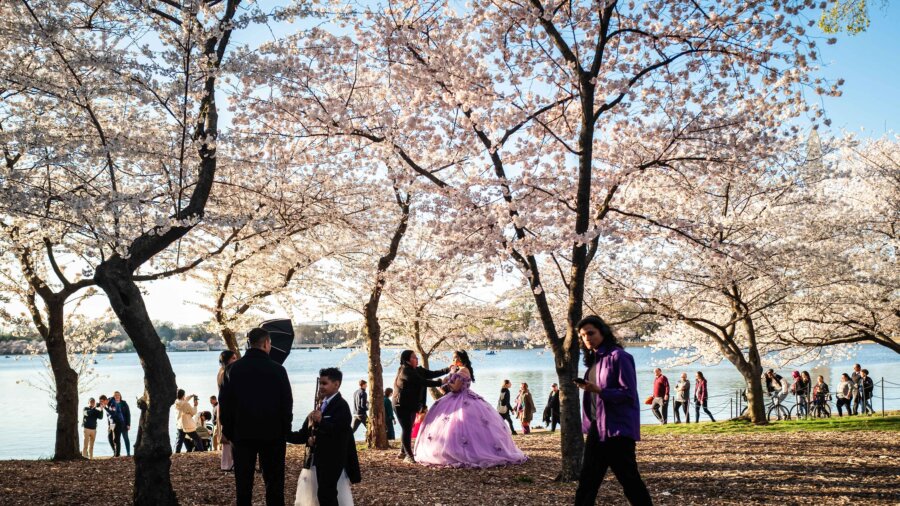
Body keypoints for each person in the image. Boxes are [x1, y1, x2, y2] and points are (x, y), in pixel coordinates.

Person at [573, 315, 652, 506]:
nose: (587, 338)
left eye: (591, 333)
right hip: (597, 429)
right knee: (587, 481)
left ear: (603, 332)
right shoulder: (594, 360)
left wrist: (599, 390)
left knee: (629, 480)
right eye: (583, 335)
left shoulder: (620, 357)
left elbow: (628, 394)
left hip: (617, 430)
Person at [414, 350, 527, 468]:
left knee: (465, 424)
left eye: (455, 358)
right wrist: (445, 383)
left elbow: (456, 388)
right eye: (453, 358)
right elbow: (447, 387)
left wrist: (446, 384)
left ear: (460, 359)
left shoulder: (464, 371)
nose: (453, 361)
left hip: (463, 398)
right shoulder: (458, 370)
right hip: (452, 398)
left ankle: (467, 452)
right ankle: (448, 450)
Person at [220, 328, 293, 506]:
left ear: (249, 344)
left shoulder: (232, 370)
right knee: (274, 483)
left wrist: (229, 432)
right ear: (267, 343)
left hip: (242, 433)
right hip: (273, 433)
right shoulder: (278, 370)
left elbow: (225, 404)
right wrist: (286, 430)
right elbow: (287, 403)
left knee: (243, 484)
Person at [289, 367, 360, 506]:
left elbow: (341, 432)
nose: (321, 387)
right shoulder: (319, 407)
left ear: (336, 384)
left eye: (325, 383)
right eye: (320, 383)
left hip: (333, 458)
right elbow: (303, 434)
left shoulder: (342, 406)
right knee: (321, 494)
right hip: (317, 459)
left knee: (327, 493)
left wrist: (322, 421)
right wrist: (283, 434)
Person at [391, 349, 448, 463]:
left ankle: (403, 452)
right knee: (406, 429)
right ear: (407, 359)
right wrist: (439, 383)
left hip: (411, 404)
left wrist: (447, 370)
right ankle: (409, 456)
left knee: (408, 427)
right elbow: (422, 381)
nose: (416, 359)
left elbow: (431, 374)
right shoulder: (405, 371)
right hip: (400, 404)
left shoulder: (417, 370)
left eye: (416, 357)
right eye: (413, 357)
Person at [217, 350, 238, 471]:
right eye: (233, 358)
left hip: (223, 404)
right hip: (226, 404)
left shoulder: (221, 371)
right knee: (227, 433)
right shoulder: (225, 372)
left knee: (226, 433)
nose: (236, 361)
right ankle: (228, 463)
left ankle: (227, 462)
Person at [113, 391, 132, 456]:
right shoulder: (112, 403)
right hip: (116, 425)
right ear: (114, 396)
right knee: (116, 440)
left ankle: (128, 453)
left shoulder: (124, 403)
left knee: (126, 438)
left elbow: (128, 414)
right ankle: (117, 454)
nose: (117, 396)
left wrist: (128, 424)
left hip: (124, 425)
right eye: (115, 395)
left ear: (120, 396)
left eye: (118, 395)